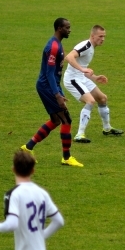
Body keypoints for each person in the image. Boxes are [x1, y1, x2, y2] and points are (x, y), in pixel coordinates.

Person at [21, 18, 83, 167]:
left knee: (56, 120)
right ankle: (66, 157)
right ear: (59, 28)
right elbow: (49, 73)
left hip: (50, 85)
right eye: (67, 28)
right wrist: (57, 95)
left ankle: (27, 148)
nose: (70, 30)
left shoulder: (57, 44)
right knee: (66, 119)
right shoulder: (53, 47)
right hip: (47, 87)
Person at [62, 25, 124, 143]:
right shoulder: (85, 45)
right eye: (100, 36)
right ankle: (79, 134)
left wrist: (95, 77)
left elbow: (83, 68)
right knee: (90, 101)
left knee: (102, 98)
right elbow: (69, 57)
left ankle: (107, 128)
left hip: (81, 77)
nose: (103, 39)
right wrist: (82, 69)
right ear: (92, 36)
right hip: (72, 79)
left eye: (104, 36)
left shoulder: (92, 47)